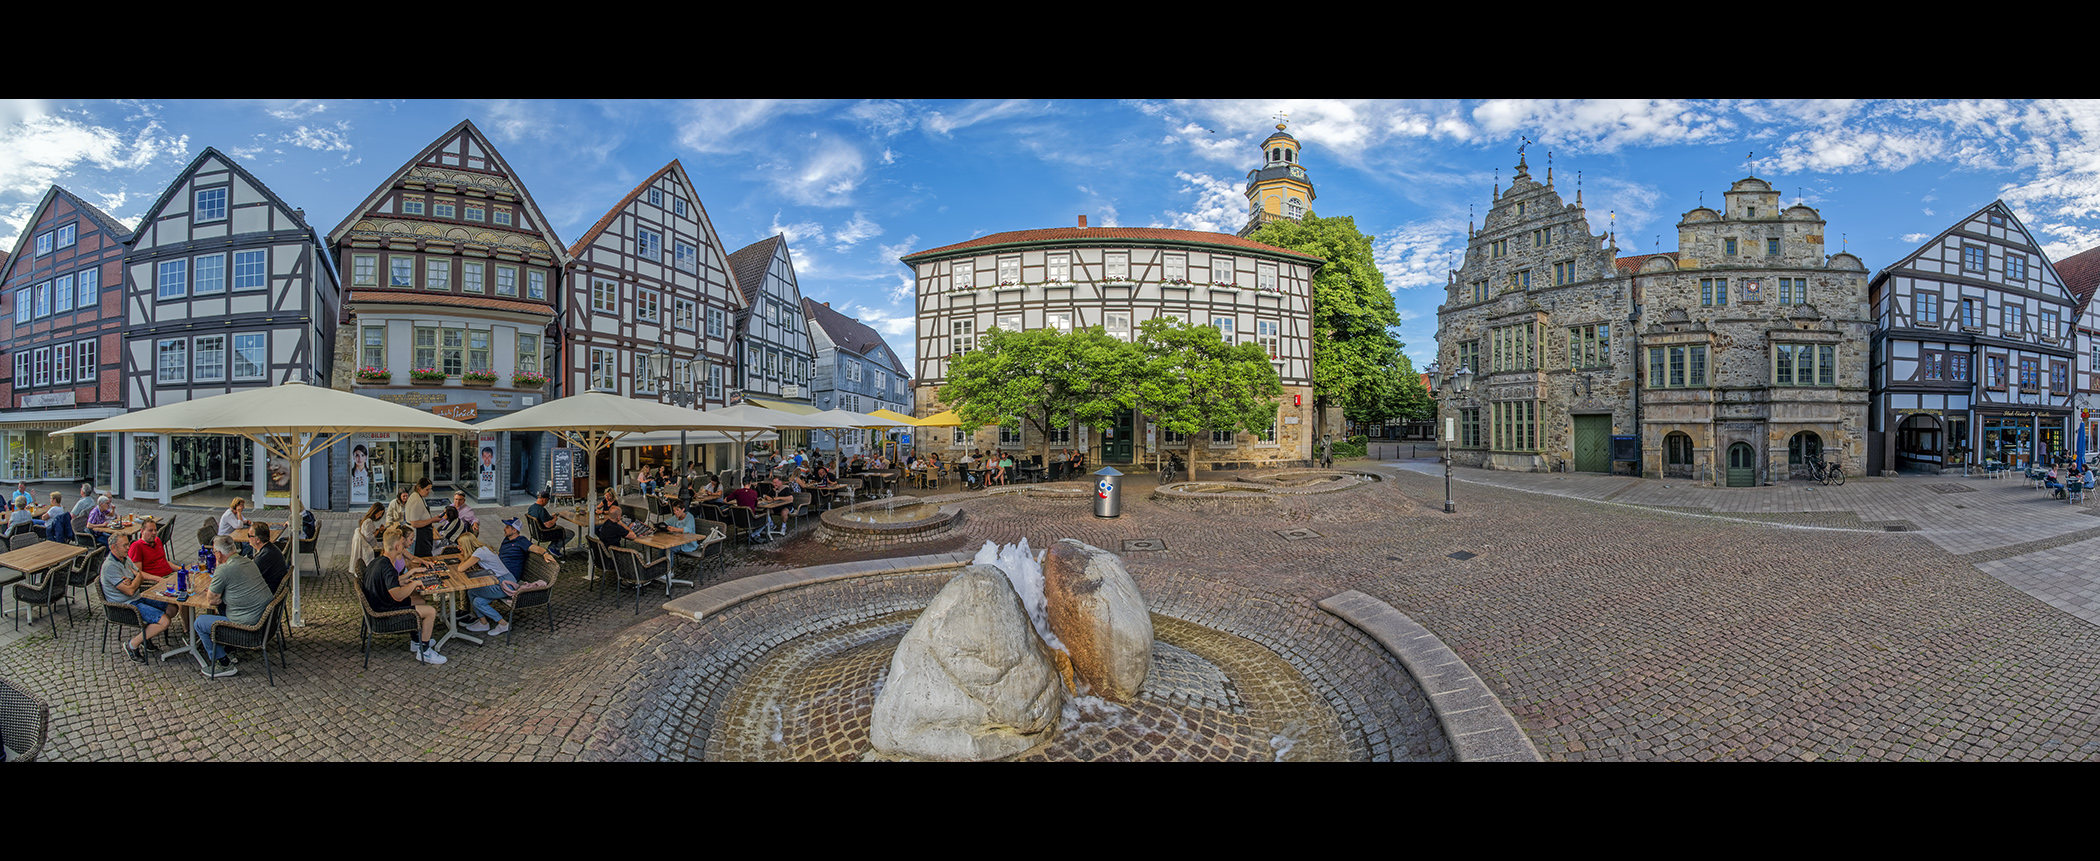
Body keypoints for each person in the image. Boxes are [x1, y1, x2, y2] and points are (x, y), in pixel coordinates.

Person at [194, 536, 273, 678]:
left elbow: (212, 600)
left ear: (218, 554)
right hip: (264, 619)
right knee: (222, 608)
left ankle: (223, 663)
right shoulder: (248, 561)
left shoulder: (224, 569)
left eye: (214, 553)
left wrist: (219, 566)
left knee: (199, 623)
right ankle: (228, 649)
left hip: (248, 626)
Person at [364, 525, 445, 665]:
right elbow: (398, 596)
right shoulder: (388, 567)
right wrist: (413, 584)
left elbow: (387, 583)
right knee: (431, 611)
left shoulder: (378, 561)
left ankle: (416, 640)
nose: (404, 546)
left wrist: (402, 580)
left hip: (379, 603)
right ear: (396, 547)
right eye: (402, 544)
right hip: (385, 613)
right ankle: (424, 652)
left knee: (420, 601)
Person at [101, 532, 173, 663]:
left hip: (137, 597)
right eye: (124, 545)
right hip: (126, 605)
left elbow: (138, 576)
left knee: (172, 607)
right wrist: (137, 579)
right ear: (113, 548)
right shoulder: (110, 567)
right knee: (165, 621)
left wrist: (136, 579)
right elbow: (129, 590)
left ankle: (146, 636)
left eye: (128, 544)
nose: (128, 548)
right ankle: (132, 645)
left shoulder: (125, 559)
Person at [527, 490, 571, 558]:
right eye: (547, 500)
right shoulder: (541, 510)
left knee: (560, 530)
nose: (547, 502)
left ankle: (552, 547)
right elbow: (548, 525)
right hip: (544, 533)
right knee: (569, 533)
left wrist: (550, 517)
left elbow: (540, 519)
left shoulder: (532, 508)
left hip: (535, 532)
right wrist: (554, 519)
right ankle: (554, 548)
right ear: (544, 499)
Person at [248, 521, 288, 594]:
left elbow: (249, 578)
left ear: (257, 540)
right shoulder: (271, 548)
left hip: (266, 594)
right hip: (272, 589)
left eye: (249, 535)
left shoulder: (263, 557)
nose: (248, 538)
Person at [405, 478, 440, 558]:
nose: (429, 491)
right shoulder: (416, 500)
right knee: (423, 558)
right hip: (418, 536)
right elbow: (414, 523)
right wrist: (433, 520)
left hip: (420, 534)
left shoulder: (416, 496)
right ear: (419, 488)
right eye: (427, 489)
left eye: (430, 489)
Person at [350, 502, 386, 569]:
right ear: (375, 511)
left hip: (371, 544)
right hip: (370, 546)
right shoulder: (368, 522)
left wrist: (378, 530)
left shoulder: (368, 520)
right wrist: (378, 531)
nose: (380, 516)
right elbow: (368, 538)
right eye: (380, 513)